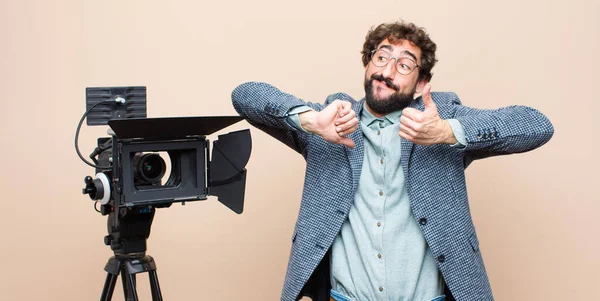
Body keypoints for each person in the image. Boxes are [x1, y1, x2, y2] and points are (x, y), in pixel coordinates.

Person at [231, 20, 553, 301]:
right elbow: (244, 95)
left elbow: (536, 125)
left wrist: (446, 131)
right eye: (381, 57)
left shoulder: (438, 120)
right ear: (367, 64)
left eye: (403, 65)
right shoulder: (330, 121)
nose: (386, 71)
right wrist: (311, 120)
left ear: (422, 83)